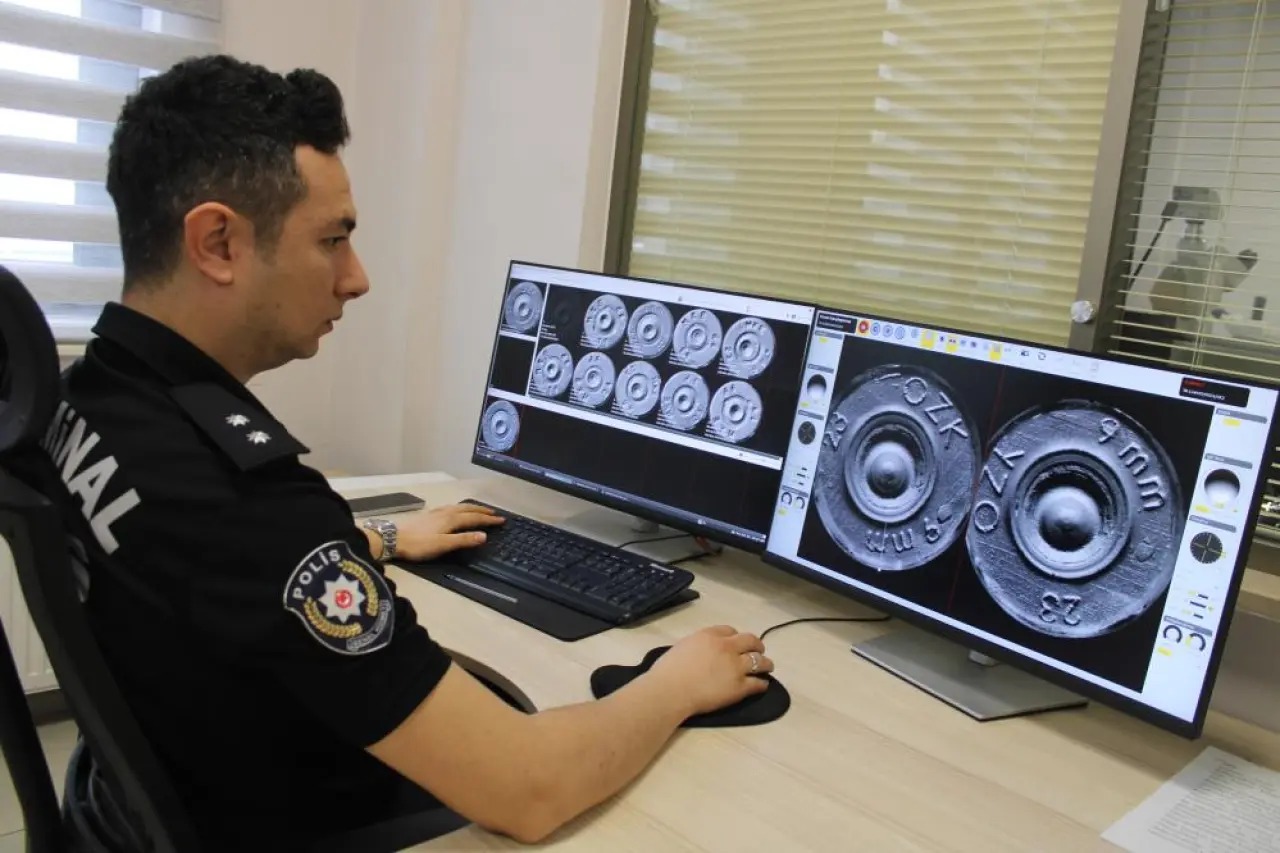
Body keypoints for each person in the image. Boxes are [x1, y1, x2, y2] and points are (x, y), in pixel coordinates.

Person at [23, 54, 775, 849]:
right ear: (217, 242)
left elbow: (209, 576)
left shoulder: (86, 398)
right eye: (332, 240)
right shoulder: (249, 504)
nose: (357, 279)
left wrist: (376, 539)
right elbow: (527, 786)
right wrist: (674, 684)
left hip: (146, 806)